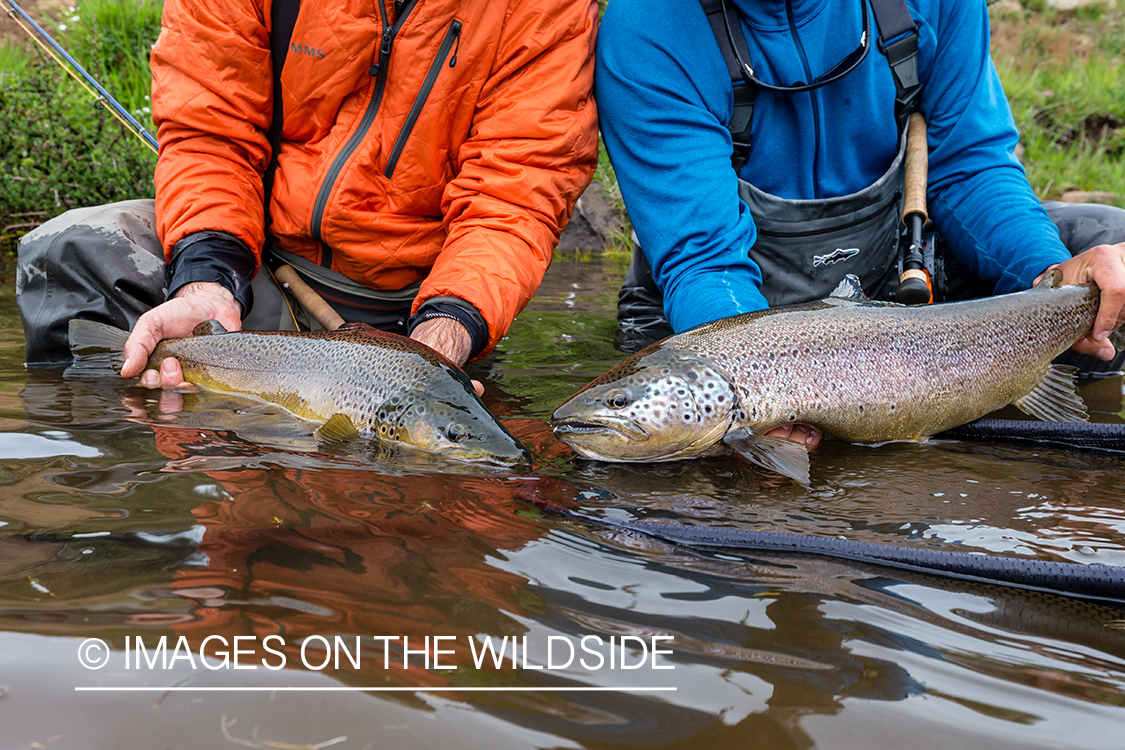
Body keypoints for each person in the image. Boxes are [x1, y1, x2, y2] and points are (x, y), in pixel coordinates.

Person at [595, 0, 1125, 447]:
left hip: (898, 267)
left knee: (1110, 256)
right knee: (698, 449)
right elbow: (704, 258)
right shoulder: (647, 27)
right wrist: (756, 396)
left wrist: (1050, 277)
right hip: (726, 309)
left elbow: (969, 169)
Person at [17, 0, 599, 391]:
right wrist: (206, 280)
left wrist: (443, 337)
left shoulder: (549, 10)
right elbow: (211, 134)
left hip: (416, 309)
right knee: (66, 249)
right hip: (255, 270)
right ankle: (117, 513)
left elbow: (515, 196)